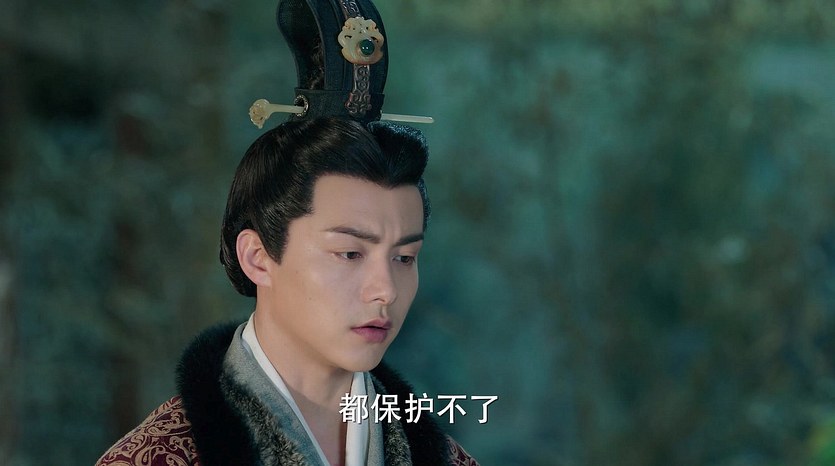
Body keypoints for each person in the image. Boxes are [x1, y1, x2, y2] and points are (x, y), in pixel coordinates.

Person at [95, 120, 478, 466]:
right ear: (258, 257)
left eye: (404, 258)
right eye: (350, 253)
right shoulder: (156, 457)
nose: (386, 290)